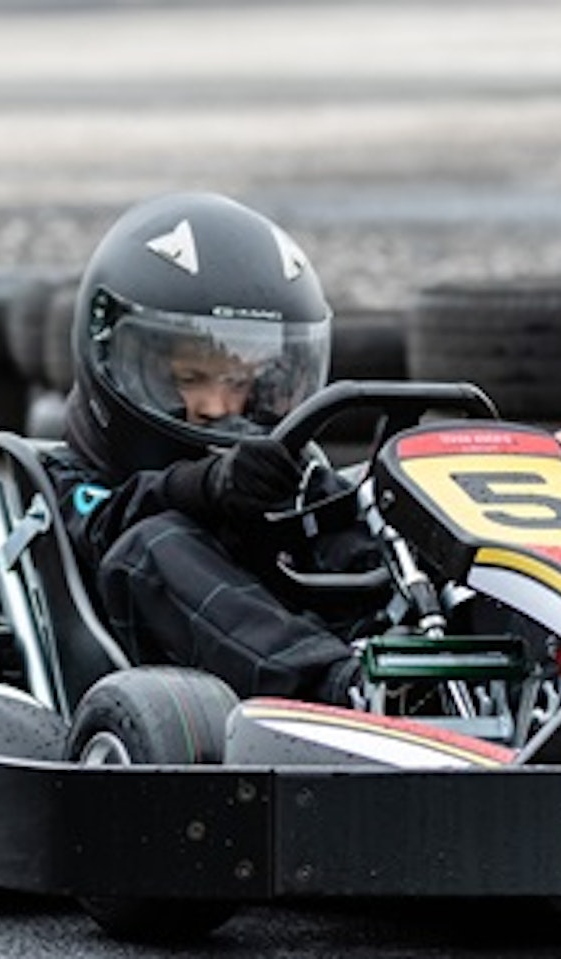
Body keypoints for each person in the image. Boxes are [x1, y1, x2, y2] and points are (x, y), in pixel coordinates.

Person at [47, 191, 381, 705]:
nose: (216, 405)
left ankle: (441, 661)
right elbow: (105, 523)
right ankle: (343, 692)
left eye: (238, 381)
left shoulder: (285, 467)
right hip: (180, 677)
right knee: (150, 547)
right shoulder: (71, 476)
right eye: (190, 378)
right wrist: (209, 485)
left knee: (364, 512)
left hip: (323, 636)